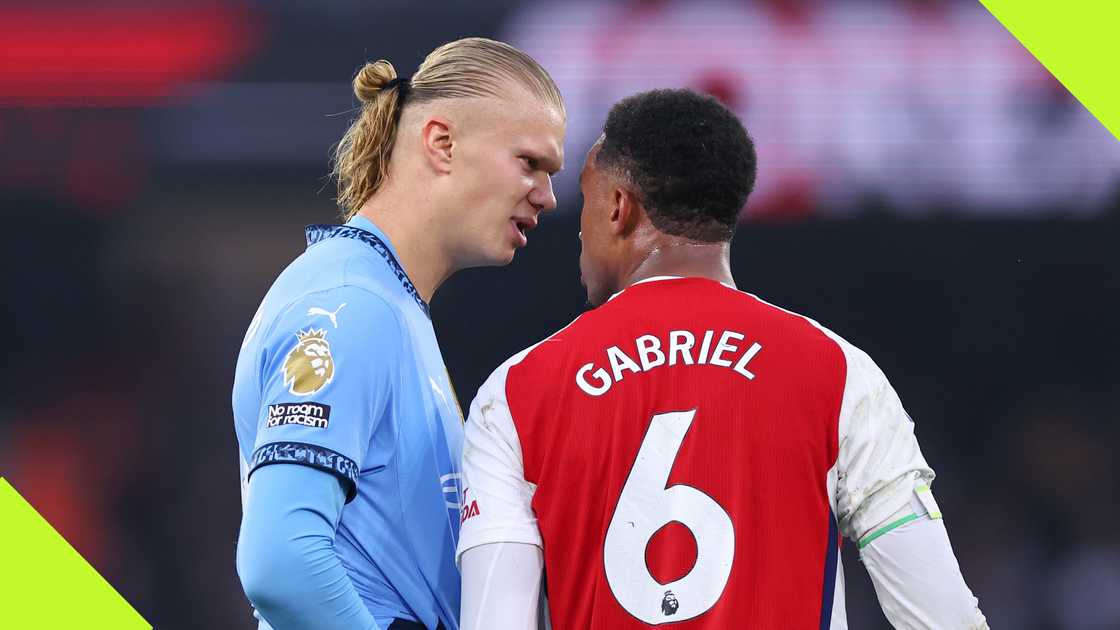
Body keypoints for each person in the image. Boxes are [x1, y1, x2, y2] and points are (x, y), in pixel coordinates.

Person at [456, 89, 987, 629]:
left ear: (618, 206)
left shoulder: (518, 394)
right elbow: (941, 616)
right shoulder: (838, 374)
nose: (576, 228)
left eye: (586, 202)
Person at [232, 37, 564, 630]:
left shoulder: (387, 303)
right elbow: (280, 562)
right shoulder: (348, 306)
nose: (547, 195)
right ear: (443, 144)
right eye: (530, 163)